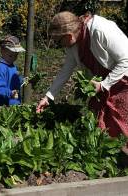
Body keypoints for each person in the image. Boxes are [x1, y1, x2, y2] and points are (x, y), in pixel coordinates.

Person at [36, 11, 128, 139]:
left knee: (123, 126)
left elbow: (126, 60)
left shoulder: (100, 30)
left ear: (68, 36)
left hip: (123, 83)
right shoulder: (74, 44)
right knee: (105, 131)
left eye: (59, 41)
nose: (59, 45)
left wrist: (103, 85)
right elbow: (65, 71)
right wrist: (48, 97)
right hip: (105, 87)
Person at [0, 35, 25, 106]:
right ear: (2, 51)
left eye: (15, 56)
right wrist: (10, 93)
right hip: (4, 105)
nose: (13, 58)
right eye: (10, 55)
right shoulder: (0, 68)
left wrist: (23, 80)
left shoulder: (12, 66)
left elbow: (15, 81)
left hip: (15, 103)